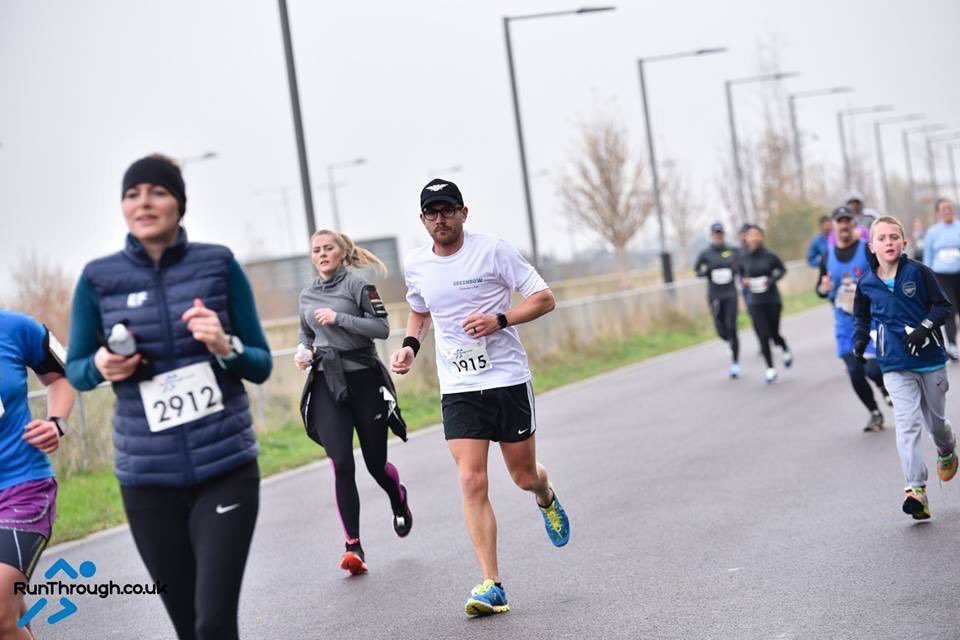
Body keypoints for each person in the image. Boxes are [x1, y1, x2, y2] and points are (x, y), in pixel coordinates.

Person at [66, 154, 272, 640]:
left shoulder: (217, 264)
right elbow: (75, 371)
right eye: (133, 194)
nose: (144, 202)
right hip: (148, 480)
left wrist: (226, 346)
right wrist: (100, 365)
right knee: (187, 627)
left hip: (225, 469)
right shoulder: (98, 278)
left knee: (214, 622)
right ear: (122, 207)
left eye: (157, 192)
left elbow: (261, 363)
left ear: (179, 204)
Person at [389, 178, 569, 617]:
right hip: (460, 387)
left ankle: (545, 494)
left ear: (464, 213)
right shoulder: (417, 264)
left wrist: (499, 319)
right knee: (471, 479)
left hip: (506, 379)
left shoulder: (493, 250)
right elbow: (420, 308)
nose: (440, 219)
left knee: (523, 476)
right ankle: (493, 584)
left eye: (447, 210)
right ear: (422, 219)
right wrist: (410, 346)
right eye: (431, 212)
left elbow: (544, 299)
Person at [295, 229, 411, 576]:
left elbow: (382, 329)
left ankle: (398, 498)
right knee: (342, 463)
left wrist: (339, 318)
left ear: (342, 253)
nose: (322, 254)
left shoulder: (359, 286)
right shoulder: (307, 295)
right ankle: (353, 547)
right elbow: (306, 333)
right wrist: (303, 352)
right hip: (327, 383)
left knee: (376, 465)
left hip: (364, 380)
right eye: (316, 250)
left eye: (328, 248)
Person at [853, 215, 957, 520]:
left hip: (930, 361)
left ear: (904, 243)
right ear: (872, 246)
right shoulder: (867, 283)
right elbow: (861, 316)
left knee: (936, 424)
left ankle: (946, 448)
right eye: (882, 238)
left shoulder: (920, 273)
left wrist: (925, 328)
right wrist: (860, 341)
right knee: (907, 423)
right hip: (895, 363)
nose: (888, 242)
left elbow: (944, 306)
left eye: (894, 237)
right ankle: (916, 489)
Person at [0, 313, 74, 640]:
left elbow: (65, 375)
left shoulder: (16, 329)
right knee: (8, 613)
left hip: (22, 487)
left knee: (0, 613)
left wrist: (56, 422)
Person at [815, 206, 891, 432]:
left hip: (872, 319)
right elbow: (819, 288)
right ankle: (874, 413)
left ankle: (885, 387)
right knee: (855, 371)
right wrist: (823, 287)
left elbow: (886, 274)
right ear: (834, 225)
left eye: (848, 221)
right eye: (840, 221)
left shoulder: (866, 250)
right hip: (845, 323)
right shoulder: (828, 256)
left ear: (854, 224)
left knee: (873, 369)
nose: (845, 225)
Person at [740, 226, 793, 383]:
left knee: (774, 334)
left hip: (772, 300)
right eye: (750, 235)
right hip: (755, 302)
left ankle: (784, 347)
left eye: (757, 235)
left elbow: (782, 270)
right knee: (763, 335)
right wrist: (744, 282)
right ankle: (770, 368)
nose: (754, 238)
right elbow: (741, 276)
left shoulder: (770, 255)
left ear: (761, 237)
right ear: (746, 238)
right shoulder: (743, 258)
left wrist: (771, 280)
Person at [694, 222, 741, 378]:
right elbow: (697, 270)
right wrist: (705, 273)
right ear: (712, 236)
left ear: (724, 235)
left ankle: (735, 363)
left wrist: (736, 269)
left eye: (720, 234)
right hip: (715, 294)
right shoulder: (706, 253)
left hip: (730, 294)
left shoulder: (732, 250)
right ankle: (728, 340)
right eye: (716, 234)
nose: (718, 236)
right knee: (720, 326)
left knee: (731, 325)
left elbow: (742, 264)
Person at [922, 198, 960, 360]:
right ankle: (951, 345)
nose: (948, 211)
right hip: (941, 275)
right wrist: (927, 279)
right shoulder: (933, 232)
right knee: (950, 309)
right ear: (938, 212)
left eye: (950, 208)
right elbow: (928, 257)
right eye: (944, 209)